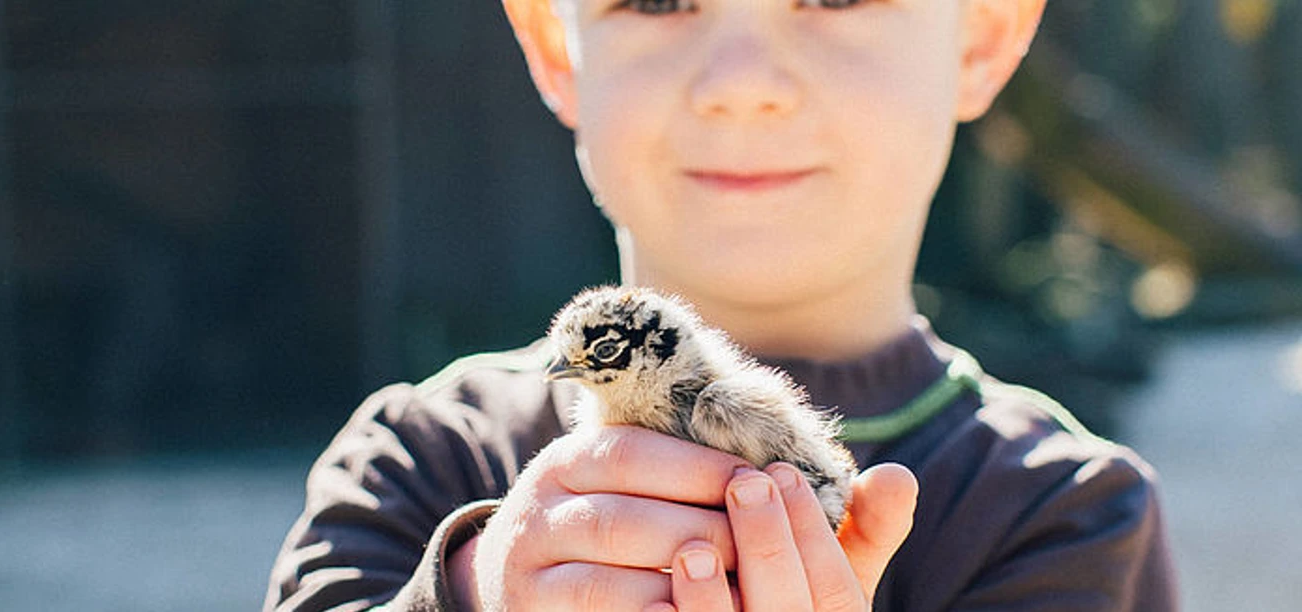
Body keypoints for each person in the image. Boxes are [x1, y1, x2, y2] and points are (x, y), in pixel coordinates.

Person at [265, 0, 1179, 610]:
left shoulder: (1060, 513)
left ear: (982, 34)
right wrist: (469, 589)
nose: (742, 83)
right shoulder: (421, 461)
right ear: (554, 42)